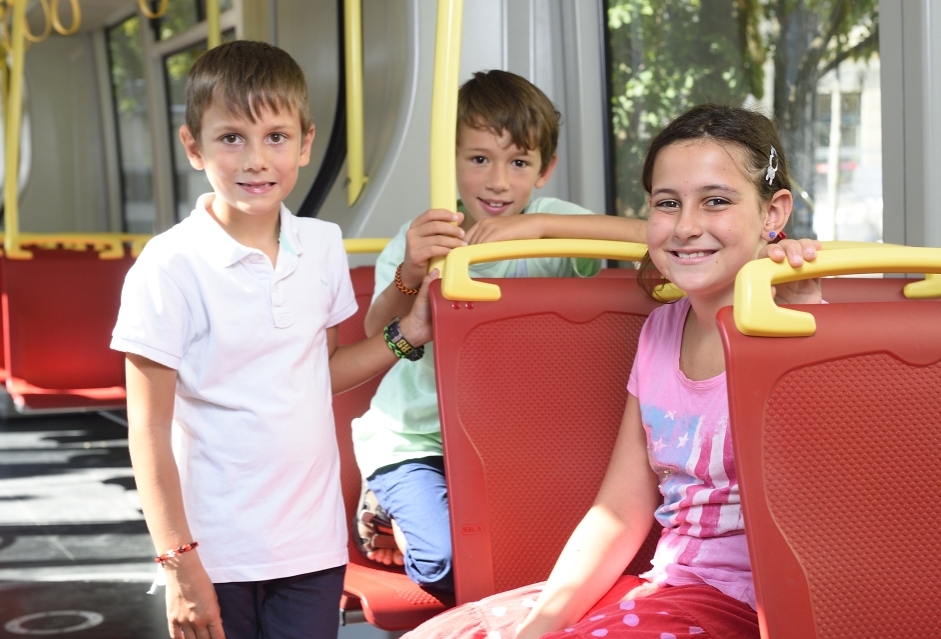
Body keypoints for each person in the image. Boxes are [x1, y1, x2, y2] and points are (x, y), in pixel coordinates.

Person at [400, 103, 822, 639]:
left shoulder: (801, 328)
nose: (687, 226)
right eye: (668, 203)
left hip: (750, 606)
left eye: (716, 201)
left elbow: (829, 511)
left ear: (773, 213)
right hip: (673, 584)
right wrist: (541, 625)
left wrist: (809, 329)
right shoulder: (660, 332)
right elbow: (621, 508)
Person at [111, 41, 437, 639]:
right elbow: (148, 430)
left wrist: (405, 334)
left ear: (306, 143)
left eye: (276, 138)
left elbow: (322, 371)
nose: (256, 159)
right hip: (216, 551)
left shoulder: (322, 244)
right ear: (193, 146)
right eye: (231, 137)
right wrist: (179, 564)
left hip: (310, 545)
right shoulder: (168, 266)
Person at [351, 70, 648, 591]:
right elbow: (378, 330)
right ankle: (384, 510)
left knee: (563, 561)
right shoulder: (421, 235)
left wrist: (537, 228)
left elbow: (652, 239)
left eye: (518, 163)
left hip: (512, 441)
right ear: (451, 161)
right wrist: (411, 273)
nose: (497, 182)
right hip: (419, 439)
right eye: (479, 159)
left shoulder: (549, 224)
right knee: (448, 565)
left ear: (544, 170)